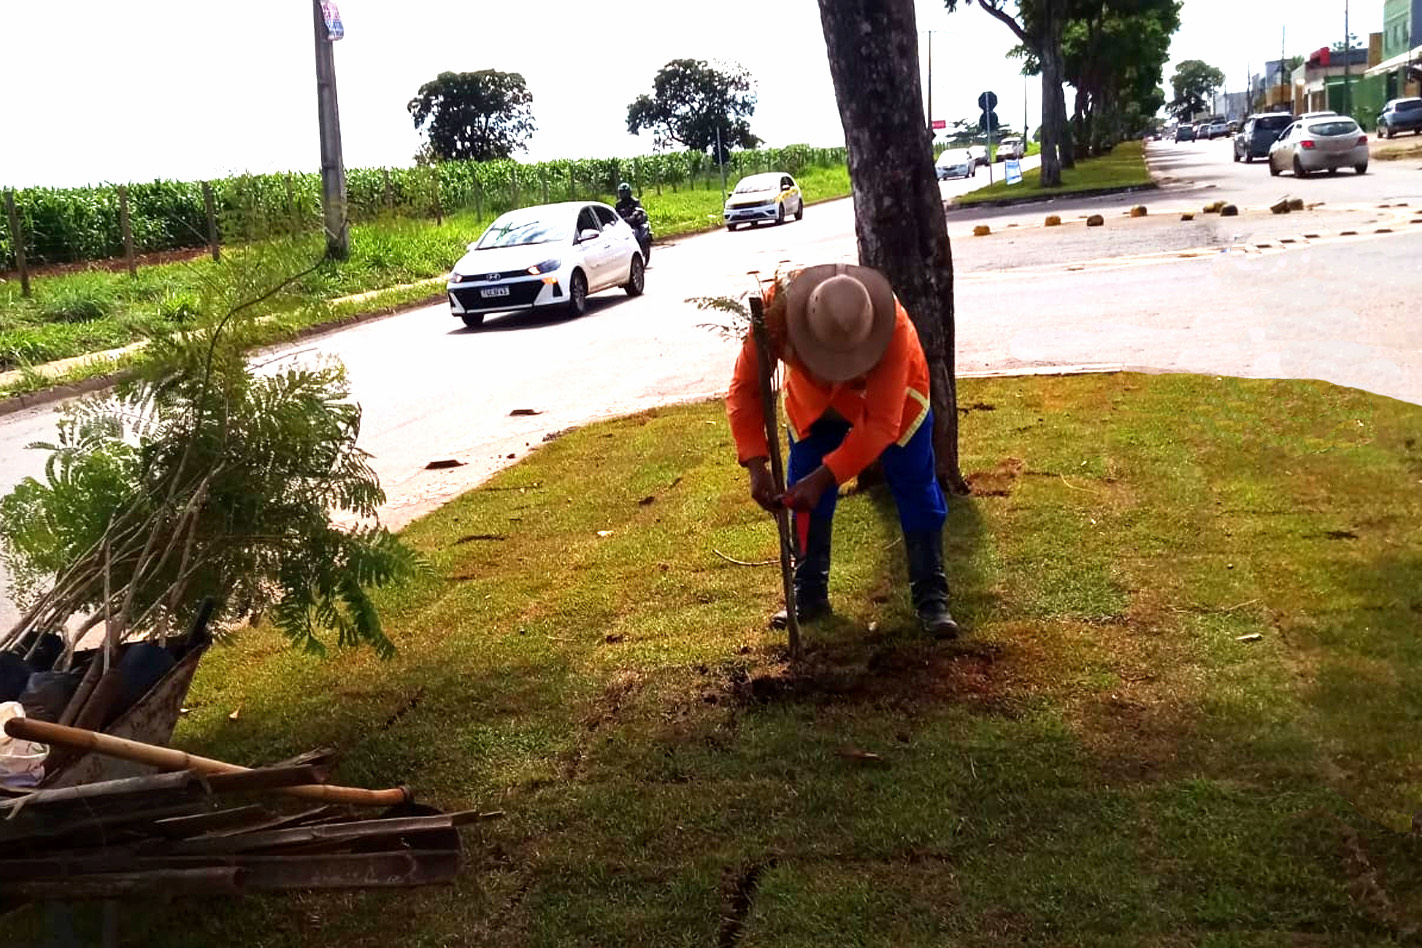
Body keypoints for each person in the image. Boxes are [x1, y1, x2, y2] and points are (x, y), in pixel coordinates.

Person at [725, 263, 959, 639]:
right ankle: (808, 595)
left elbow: (881, 423)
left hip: (895, 402)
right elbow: (745, 389)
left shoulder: (893, 329)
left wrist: (825, 478)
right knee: (803, 487)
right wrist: (755, 465)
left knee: (914, 482)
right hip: (814, 405)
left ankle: (932, 597)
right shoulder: (774, 315)